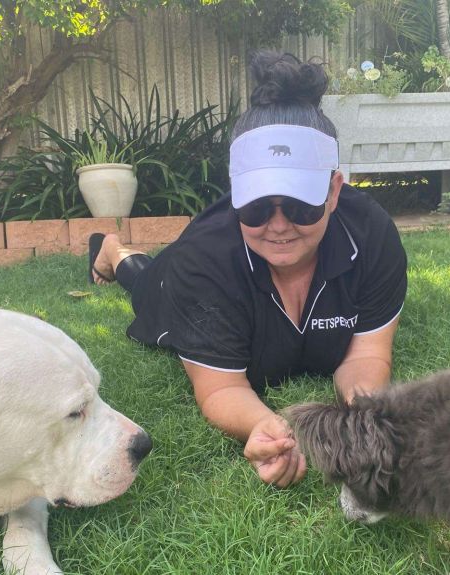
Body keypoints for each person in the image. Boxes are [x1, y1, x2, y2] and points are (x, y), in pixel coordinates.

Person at [88, 51, 408, 487]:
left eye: (299, 204)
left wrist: (363, 415)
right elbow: (221, 388)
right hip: (171, 279)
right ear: (235, 191)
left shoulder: (371, 235)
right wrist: (262, 424)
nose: (278, 226)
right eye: (256, 207)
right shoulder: (204, 260)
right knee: (143, 282)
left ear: (334, 190)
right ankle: (112, 251)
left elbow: (368, 354)